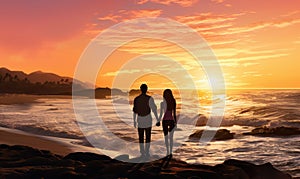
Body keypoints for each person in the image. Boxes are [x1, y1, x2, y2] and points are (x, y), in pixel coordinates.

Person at [133, 84, 159, 158]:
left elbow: (135, 111)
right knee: (147, 136)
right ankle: (146, 152)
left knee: (141, 137)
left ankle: (143, 152)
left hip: (141, 119)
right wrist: (157, 119)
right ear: (146, 89)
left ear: (140, 89)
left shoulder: (137, 99)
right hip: (147, 119)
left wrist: (134, 121)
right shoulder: (149, 98)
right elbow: (154, 110)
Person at [158, 89, 177, 156]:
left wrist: (158, 121)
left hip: (165, 121)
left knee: (166, 137)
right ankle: (170, 152)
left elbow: (161, 114)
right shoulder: (173, 102)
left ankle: (168, 151)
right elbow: (174, 113)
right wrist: (176, 122)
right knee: (171, 137)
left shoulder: (162, 103)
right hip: (171, 120)